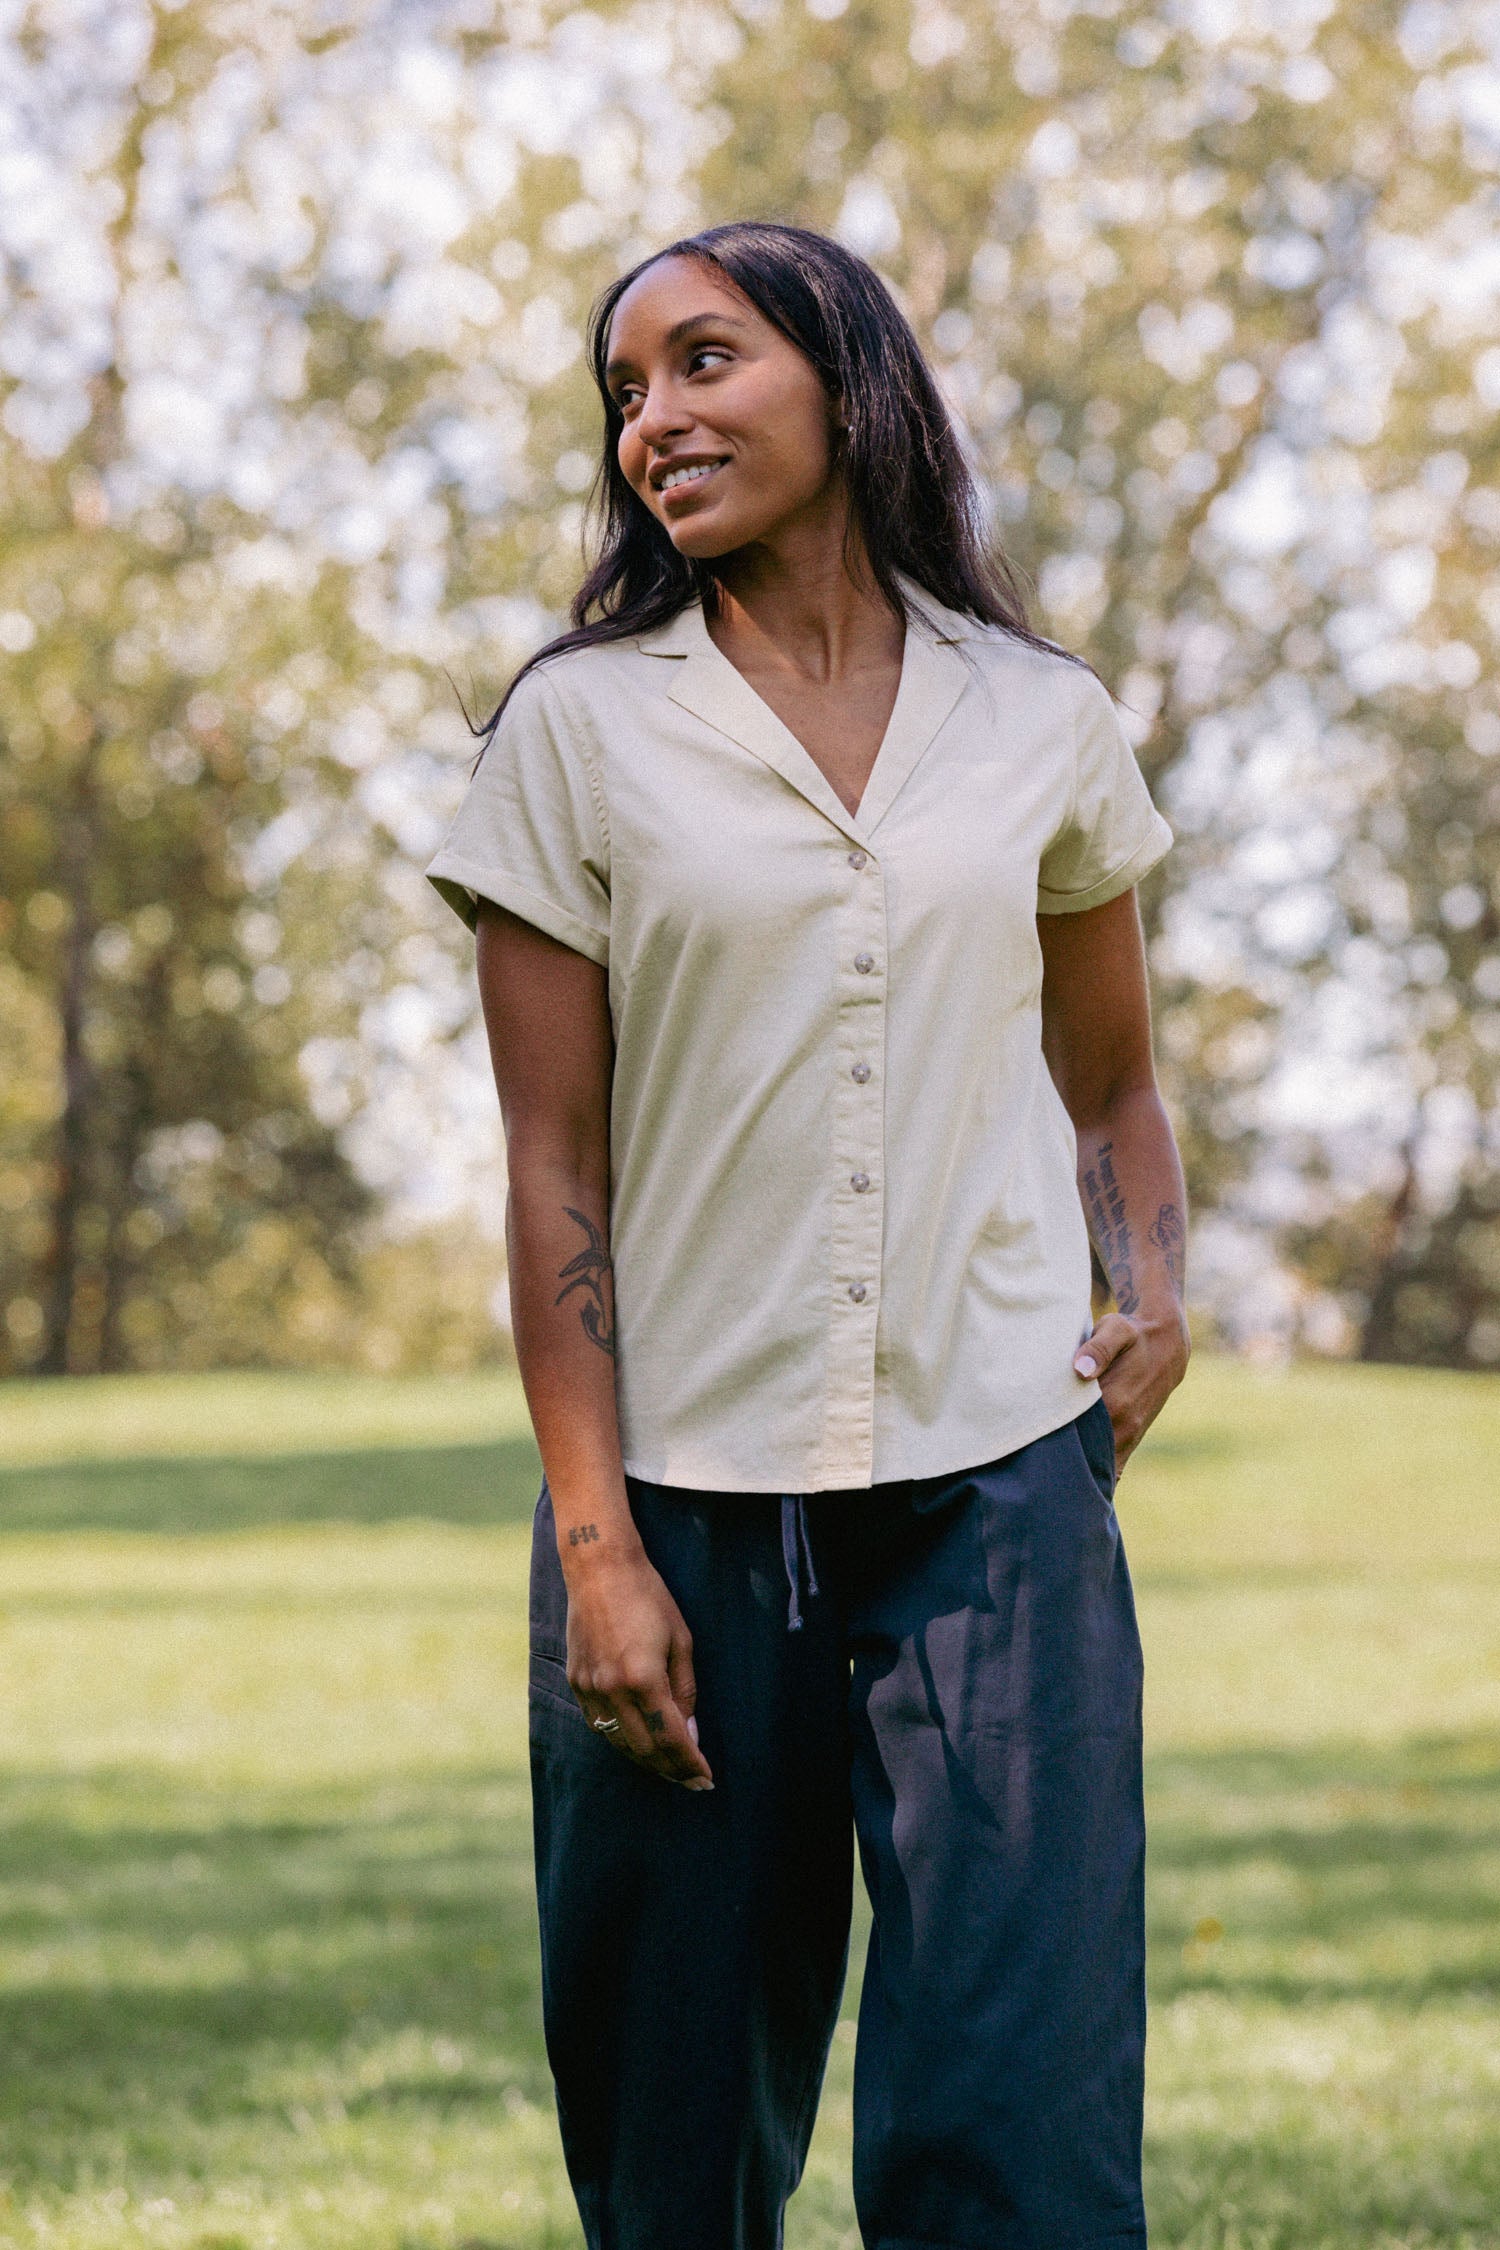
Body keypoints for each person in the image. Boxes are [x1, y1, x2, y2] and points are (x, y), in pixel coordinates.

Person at [425, 219, 1190, 2250]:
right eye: (622, 393)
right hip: (679, 1498)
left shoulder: (1039, 718)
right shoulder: (577, 731)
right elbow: (550, 1163)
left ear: (847, 375)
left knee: (1022, 2140)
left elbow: (1113, 1081)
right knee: (676, 2151)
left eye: (700, 361)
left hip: (1001, 1506)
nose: (651, 421)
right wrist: (596, 1546)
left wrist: (1161, 1289)